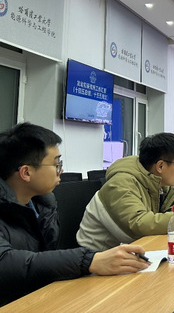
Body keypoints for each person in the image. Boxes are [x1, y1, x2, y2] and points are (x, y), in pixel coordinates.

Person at [0, 123, 150, 306]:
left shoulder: (42, 204)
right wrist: (89, 260)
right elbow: (7, 263)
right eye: (56, 164)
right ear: (26, 172)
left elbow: (41, 262)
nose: (61, 171)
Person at [77, 133, 174, 251]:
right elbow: (141, 224)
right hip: (95, 260)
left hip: (131, 251)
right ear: (160, 166)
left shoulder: (157, 181)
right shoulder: (120, 184)